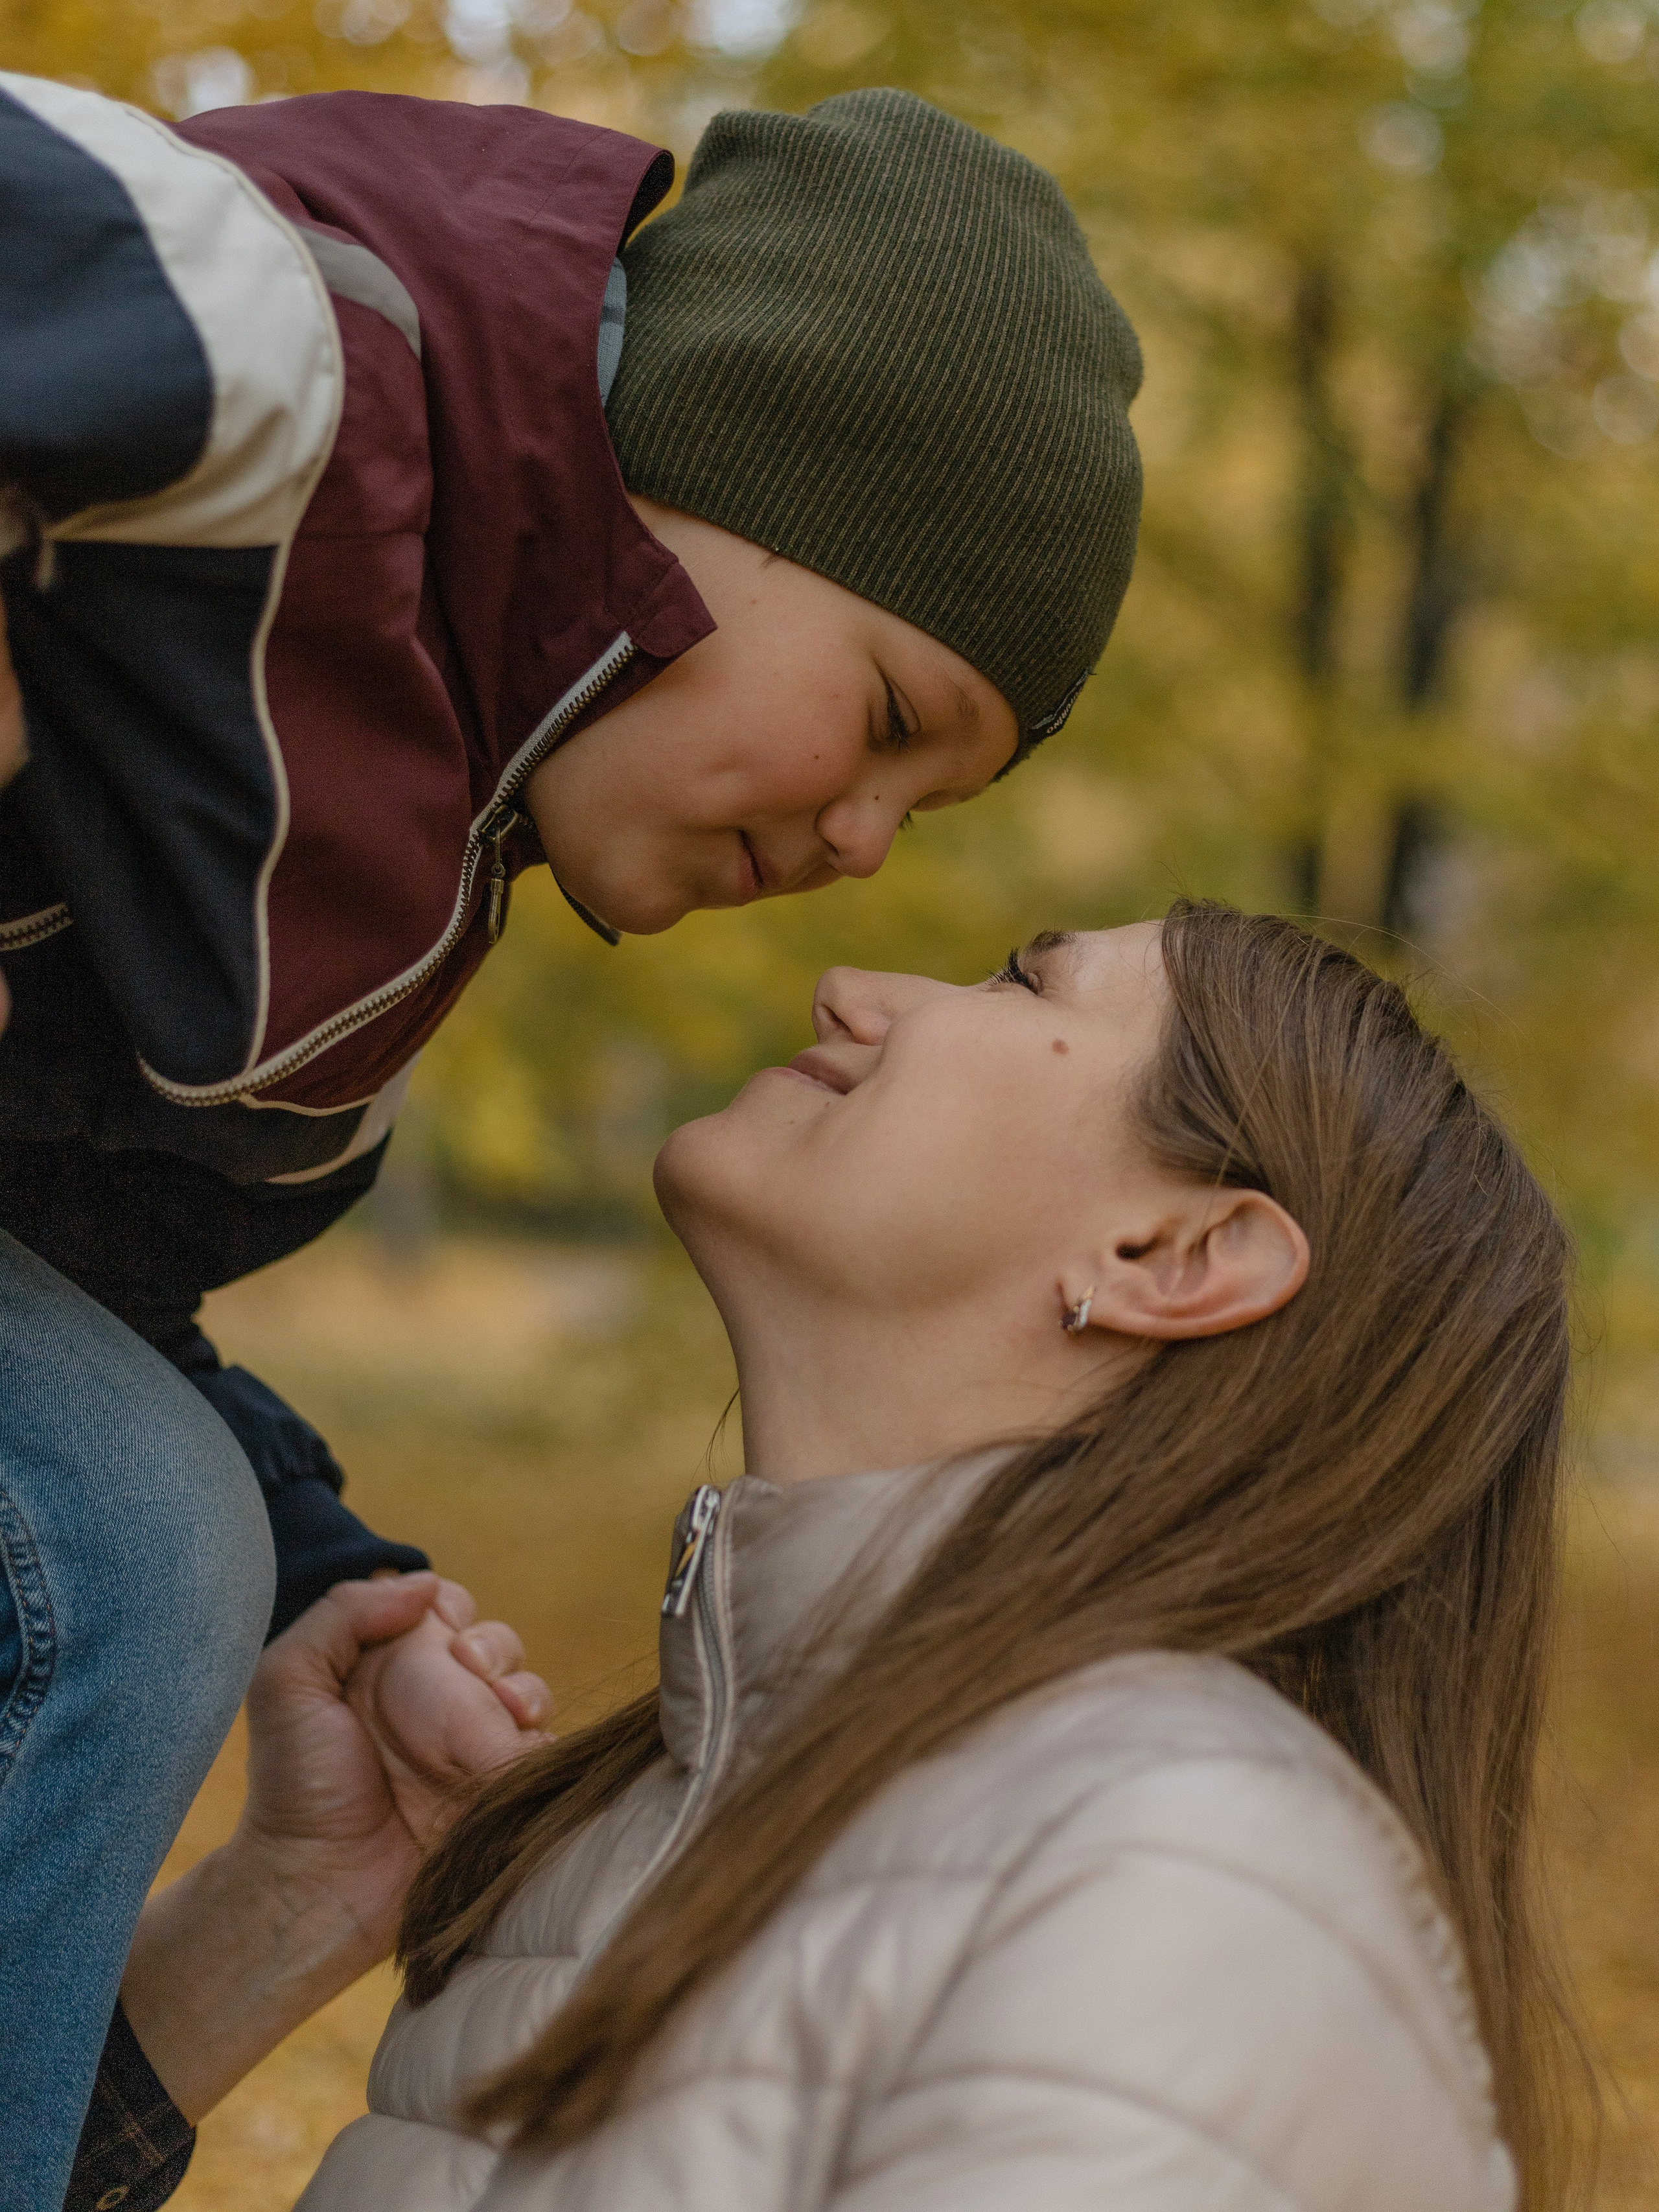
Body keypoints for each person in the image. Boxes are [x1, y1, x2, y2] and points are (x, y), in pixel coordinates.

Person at [0, 78, 1143, 2202]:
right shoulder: (284, 362)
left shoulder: (384, 838)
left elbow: (79, 1278)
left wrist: (318, 1579)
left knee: (164, 1537)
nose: (863, 848)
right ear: (701, 461)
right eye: (892, 717)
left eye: (936, 814)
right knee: (128, 1531)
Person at [109, 903, 1593, 2210]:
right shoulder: (640, 1823)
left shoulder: (1182, 1869)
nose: (852, 989)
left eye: (1022, 987)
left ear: (1170, 1257)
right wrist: (286, 1916)